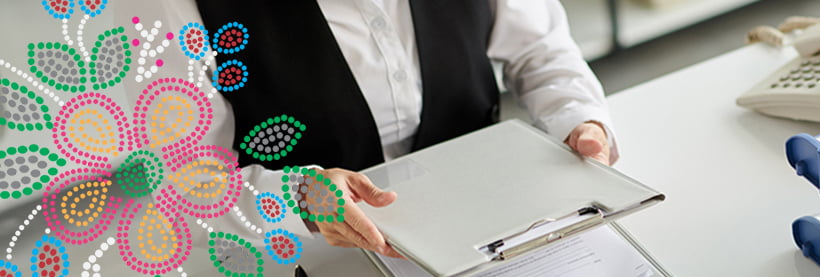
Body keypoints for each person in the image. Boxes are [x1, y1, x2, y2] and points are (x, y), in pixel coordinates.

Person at [195, 0, 618, 258]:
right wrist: (296, 197)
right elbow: (175, 172)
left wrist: (577, 118)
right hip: (305, 259)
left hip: (483, 220)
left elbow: (538, 47)